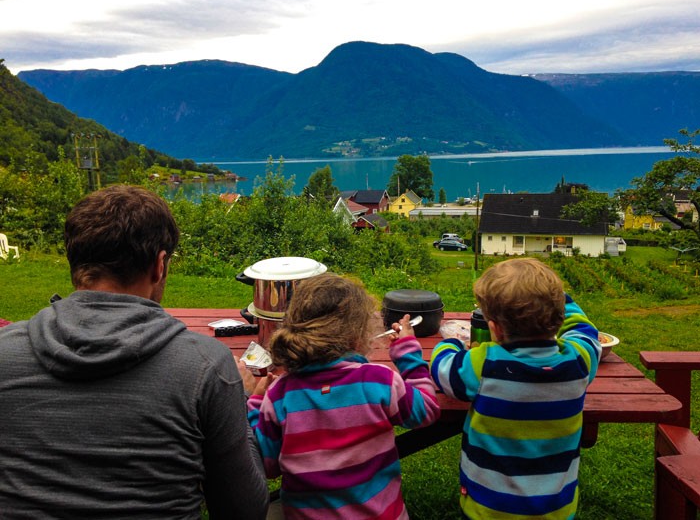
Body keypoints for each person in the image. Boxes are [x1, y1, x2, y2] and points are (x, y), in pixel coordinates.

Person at [0, 185, 269, 519]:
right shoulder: (205, 367)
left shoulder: (5, 352)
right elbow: (244, 511)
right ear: (159, 265)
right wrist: (238, 401)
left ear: (74, 260)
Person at [247, 273, 441, 520]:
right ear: (358, 334)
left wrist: (254, 403)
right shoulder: (378, 381)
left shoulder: (280, 395)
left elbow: (266, 464)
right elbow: (426, 411)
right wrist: (408, 354)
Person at [430, 257, 601, 519]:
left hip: (489, 508)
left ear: (495, 329)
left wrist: (450, 343)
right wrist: (556, 296)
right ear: (559, 317)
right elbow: (584, 329)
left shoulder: (485, 363)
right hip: (556, 508)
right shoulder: (579, 360)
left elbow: (443, 370)